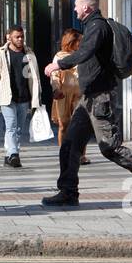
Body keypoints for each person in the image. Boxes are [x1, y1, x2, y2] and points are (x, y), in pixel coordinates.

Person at [42, 0, 132, 207]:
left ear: (87, 8)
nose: (74, 9)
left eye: (76, 6)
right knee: (70, 144)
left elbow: (85, 52)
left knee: (110, 146)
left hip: (100, 98)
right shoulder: (92, 26)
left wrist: (59, 64)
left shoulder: (97, 27)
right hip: (89, 98)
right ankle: (68, 192)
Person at [0, 25, 43, 169]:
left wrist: (37, 95)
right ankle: (13, 154)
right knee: (11, 126)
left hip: (24, 96)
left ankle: (9, 155)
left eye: (22, 36)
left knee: (18, 128)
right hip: (7, 96)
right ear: (8, 37)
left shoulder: (29, 53)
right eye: (17, 36)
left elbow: (34, 77)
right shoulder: (1, 53)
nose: (20, 39)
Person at [50, 28, 87, 165]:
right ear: (72, 42)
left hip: (80, 94)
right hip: (63, 94)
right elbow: (54, 75)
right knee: (63, 125)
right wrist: (56, 88)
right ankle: (64, 153)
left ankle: (82, 155)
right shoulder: (59, 57)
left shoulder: (82, 55)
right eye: (79, 41)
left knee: (80, 125)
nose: (81, 44)